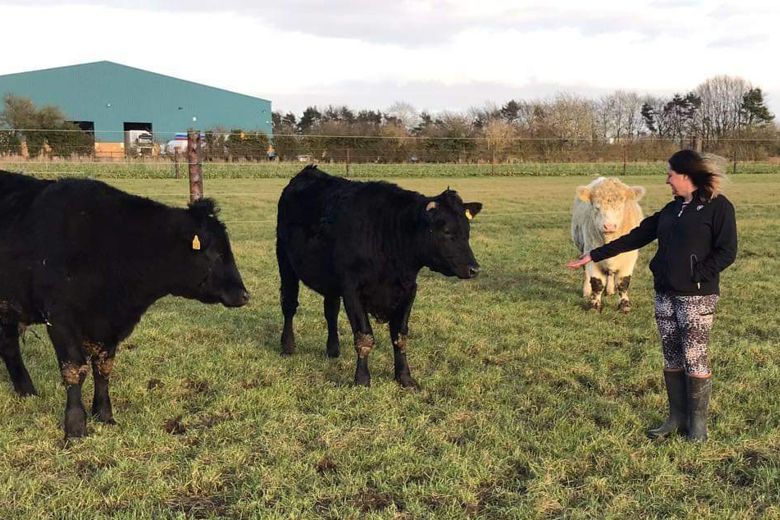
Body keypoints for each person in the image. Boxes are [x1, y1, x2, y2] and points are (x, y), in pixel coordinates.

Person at [567, 150, 737, 441]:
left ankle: (697, 427)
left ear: (687, 176)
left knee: (694, 357)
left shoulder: (718, 208)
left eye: (670, 174)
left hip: (696, 297)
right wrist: (593, 254)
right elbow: (636, 236)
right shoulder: (671, 210)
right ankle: (675, 417)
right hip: (665, 294)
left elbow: (727, 251)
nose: (667, 180)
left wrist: (697, 275)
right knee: (671, 356)